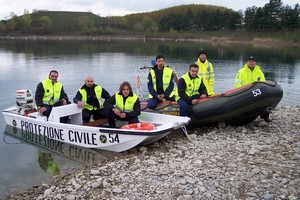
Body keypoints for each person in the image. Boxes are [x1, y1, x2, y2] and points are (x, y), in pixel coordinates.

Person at [235, 56, 270, 122]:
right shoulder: (241, 71)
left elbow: (263, 83)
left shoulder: (259, 71)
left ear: (255, 62)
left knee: (267, 99)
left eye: (252, 61)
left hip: (257, 92)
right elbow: (237, 84)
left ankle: (265, 115)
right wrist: (242, 92)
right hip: (245, 93)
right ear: (247, 62)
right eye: (249, 61)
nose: (251, 63)